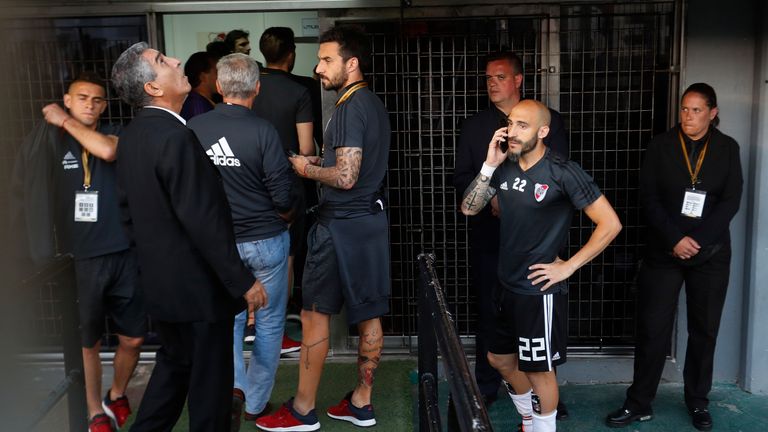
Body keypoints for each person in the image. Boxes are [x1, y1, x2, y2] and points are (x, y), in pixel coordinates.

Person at [110, 42, 266, 432]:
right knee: (209, 397)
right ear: (152, 88)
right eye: (163, 61)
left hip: (165, 290)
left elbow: (130, 218)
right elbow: (203, 218)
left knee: (172, 375)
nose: (177, 61)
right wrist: (242, 280)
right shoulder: (174, 137)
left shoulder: (133, 136)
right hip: (198, 293)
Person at [256, 25, 391, 432]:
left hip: (340, 225)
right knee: (368, 315)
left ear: (352, 64)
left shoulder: (350, 107)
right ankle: (361, 403)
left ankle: (301, 412)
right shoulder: (372, 102)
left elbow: (346, 176)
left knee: (314, 317)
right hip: (368, 222)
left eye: (327, 59)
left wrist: (305, 167)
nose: (317, 68)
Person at [461, 100, 621, 432]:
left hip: (539, 292)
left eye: (523, 125)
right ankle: (528, 420)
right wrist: (489, 165)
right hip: (505, 285)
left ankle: (541, 427)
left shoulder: (563, 171)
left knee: (539, 371)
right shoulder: (504, 166)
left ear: (543, 131)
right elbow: (469, 208)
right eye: (510, 123)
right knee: (499, 359)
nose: (512, 132)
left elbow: (610, 224)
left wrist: (569, 266)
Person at [606, 83, 743, 432]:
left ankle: (698, 402)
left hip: (710, 254)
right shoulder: (661, 146)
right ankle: (639, 402)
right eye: (684, 109)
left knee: (704, 330)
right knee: (652, 329)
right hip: (664, 252)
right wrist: (675, 239)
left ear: (712, 113)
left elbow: (730, 201)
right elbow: (648, 197)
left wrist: (695, 240)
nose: (688, 116)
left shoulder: (727, 148)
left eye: (696, 110)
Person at [453, 51, 569, 410]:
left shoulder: (553, 123)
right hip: (492, 240)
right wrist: (491, 199)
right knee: (489, 313)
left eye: (500, 77)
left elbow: (560, 179)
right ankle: (487, 386)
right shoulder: (475, 127)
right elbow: (461, 180)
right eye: (488, 77)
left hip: (537, 246)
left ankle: (544, 395)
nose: (492, 83)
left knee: (536, 321)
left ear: (518, 80)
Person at [187, 53, 296, 431]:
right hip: (267, 241)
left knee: (229, 322)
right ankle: (255, 403)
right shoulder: (264, 131)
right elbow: (283, 195)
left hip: (221, 246)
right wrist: (284, 215)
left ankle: (233, 390)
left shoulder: (195, 128)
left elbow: (189, 190)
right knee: (268, 323)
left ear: (218, 86)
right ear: (257, 87)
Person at [41, 72, 146, 432]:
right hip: (80, 256)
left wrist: (63, 119)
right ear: (67, 99)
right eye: (81, 97)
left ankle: (116, 393)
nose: (90, 104)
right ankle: (93, 411)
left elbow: (107, 150)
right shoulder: (48, 142)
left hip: (124, 251)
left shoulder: (118, 131)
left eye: (97, 99)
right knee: (88, 341)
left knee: (133, 337)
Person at [251, 26, 315, 355]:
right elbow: (304, 148)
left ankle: (250, 321)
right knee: (286, 257)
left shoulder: (250, 89)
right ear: (291, 54)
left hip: (248, 183)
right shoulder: (298, 91)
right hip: (287, 184)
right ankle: (274, 329)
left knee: (248, 251)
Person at [180, 51, 219, 120]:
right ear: (203, 77)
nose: (220, 76)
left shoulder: (199, 102)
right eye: (216, 72)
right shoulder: (197, 106)